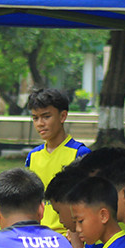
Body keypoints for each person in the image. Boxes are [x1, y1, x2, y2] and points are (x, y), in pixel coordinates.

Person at [24, 88, 90, 232]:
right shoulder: (33, 156)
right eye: (35, 118)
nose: (40, 123)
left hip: (69, 236)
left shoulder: (79, 153)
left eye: (46, 116)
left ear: (62, 116)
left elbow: (89, 202)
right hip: (38, 235)